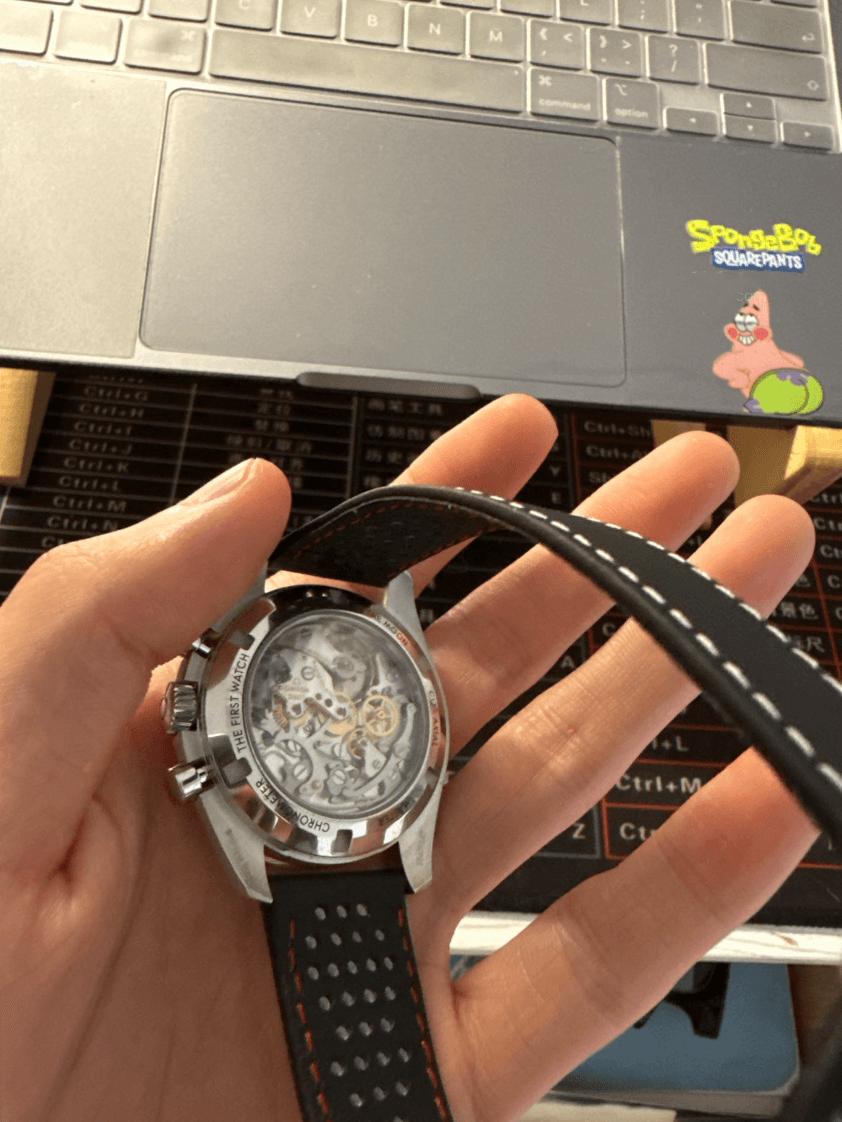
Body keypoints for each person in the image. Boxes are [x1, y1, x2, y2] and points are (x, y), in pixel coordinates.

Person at [0, 393, 819, 1122]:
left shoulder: (365, 680)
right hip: (324, 830)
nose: (329, 707)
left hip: (370, 812)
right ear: (193, 730)